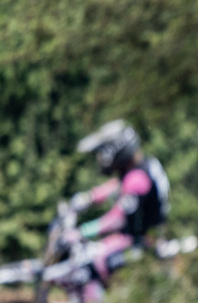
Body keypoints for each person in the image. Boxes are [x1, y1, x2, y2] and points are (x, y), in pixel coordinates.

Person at [62, 120, 171, 287]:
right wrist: (90, 197)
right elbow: (117, 186)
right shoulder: (143, 165)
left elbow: (117, 218)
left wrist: (82, 231)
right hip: (145, 238)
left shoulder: (137, 178)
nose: (101, 159)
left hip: (143, 244)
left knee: (93, 262)